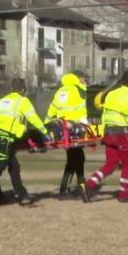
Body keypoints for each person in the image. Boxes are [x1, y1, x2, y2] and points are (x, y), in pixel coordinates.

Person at [0, 78, 50, 209]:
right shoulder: (22, 101)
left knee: (14, 167)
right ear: (23, 90)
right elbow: (33, 118)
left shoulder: (2, 101)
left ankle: (23, 197)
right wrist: (44, 131)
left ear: (11, 89)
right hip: (7, 138)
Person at [86, 71, 128, 203]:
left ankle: (90, 185)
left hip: (108, 133)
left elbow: (102, 109)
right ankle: (124, 195)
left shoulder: (111, 94)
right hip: (122, 133)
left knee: (111, 164)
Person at [45, 72, 89, 203]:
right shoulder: (79, 90)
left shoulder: (60, 91)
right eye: (83, 79)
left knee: (74, 159)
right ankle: (78, 189)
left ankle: (68, 189)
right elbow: (82, 110)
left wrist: (46, 126)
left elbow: (51, 110)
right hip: (74, 129)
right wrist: (84, 126)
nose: (84, 82)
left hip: (61, 129)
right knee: (78, 159)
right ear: (78, 79)